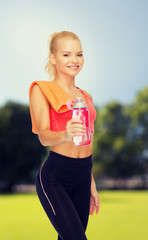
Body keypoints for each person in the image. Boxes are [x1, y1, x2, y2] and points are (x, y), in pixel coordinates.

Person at [29, 31, 100, 240]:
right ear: (53, 58)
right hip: (56, 177)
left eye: (79, 54)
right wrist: (65, 134)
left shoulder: (86, 97)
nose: (74, 60)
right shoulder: (42, 90)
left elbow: (88, 141)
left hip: (83, 174)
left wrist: (91, 183)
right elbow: (43, 136)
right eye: (66, 54)